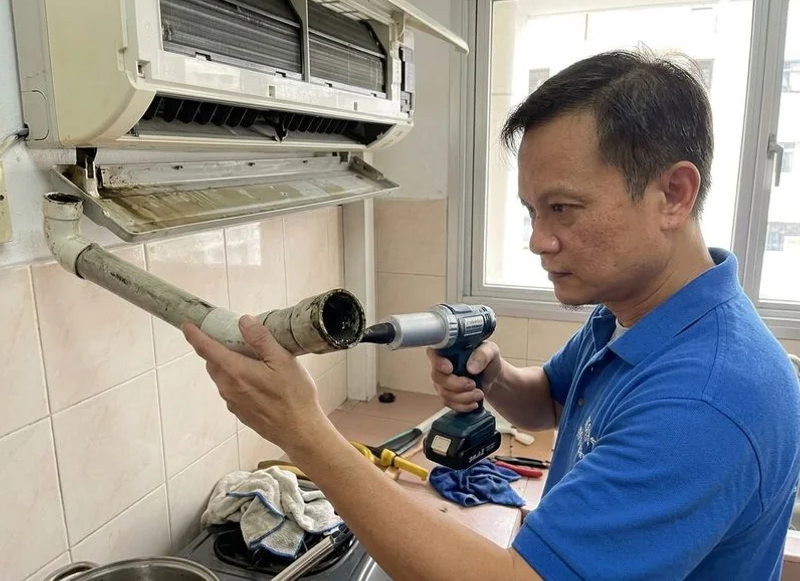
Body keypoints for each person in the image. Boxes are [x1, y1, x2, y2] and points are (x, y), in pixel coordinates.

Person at [182, 49, 800, 580]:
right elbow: (550, 403)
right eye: (533, 211)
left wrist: (305, 435)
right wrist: (495, 375)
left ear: (673, 194)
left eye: (563, 208)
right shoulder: (634, 312)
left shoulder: (704, 400)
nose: (539, 241)